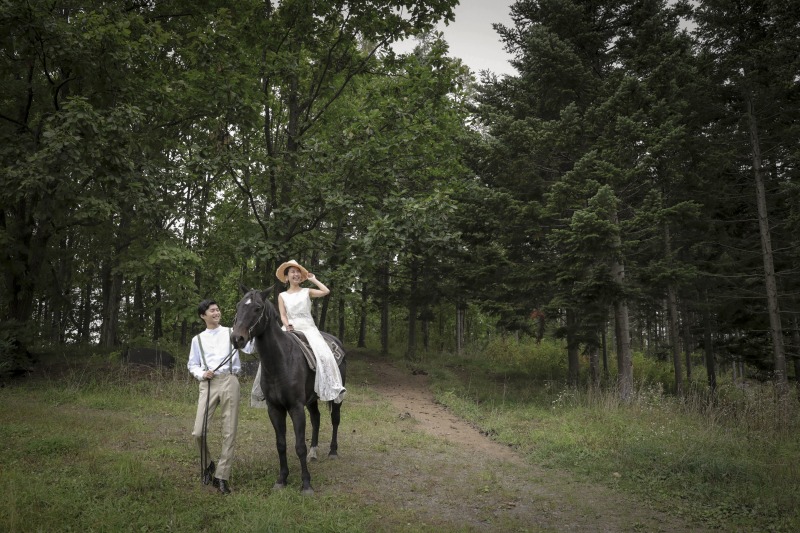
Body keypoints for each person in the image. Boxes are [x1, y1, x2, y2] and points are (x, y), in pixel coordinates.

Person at [187, 299, 253, 495]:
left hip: (230, 381)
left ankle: (221, 476)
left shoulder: (230, 332)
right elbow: (192, 365)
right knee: (199, 432)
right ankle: (208, 464)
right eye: (212, 311)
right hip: (208, 384)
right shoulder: (197, 339)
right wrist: (201, 373)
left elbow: (250, 347)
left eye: (218, 309)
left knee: (229, 431)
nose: (216, 313)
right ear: (203, 316)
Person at [276, 259, 346, 404]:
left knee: (325, 355)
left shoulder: (307, 292)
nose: (295, 274)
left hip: (308, 328)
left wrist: (313, 279)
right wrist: (286, 324)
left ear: (301, 276)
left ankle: (331, 386)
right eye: (292, 272)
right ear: (287, 277)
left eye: (297, 272)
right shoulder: (282, 296)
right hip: (289, 328)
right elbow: (282, 314)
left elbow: (326, 291)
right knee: (273, 354)